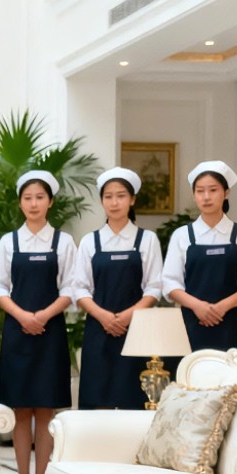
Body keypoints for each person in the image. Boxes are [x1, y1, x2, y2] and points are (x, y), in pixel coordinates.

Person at [0, 170, 78, 474]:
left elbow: (71, 287)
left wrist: (43, 315)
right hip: (17, 329)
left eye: (40, 197)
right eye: (27, 198)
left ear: (50, 202)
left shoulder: (64, 242)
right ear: (20, 203)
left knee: (45, 410)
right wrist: (23, 315)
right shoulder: (9, 242)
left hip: (50, 330)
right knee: (20, 409)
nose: (33, 203)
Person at [74, 167, 163, 409]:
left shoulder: (147, 240)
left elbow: (154, 287)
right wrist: (104, 317)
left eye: (121, 195)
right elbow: (80, 288)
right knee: (97, 400)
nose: (114, 202)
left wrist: (126, 316)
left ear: (132, 199)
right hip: (98, 327)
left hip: (136, 329)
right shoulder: (90, 241)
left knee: (133, 400)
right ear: (102, 201)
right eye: (108, 196)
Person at [162, 160, 237, 354]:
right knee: (189, 381)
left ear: (226, 193)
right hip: (190, 323)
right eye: (200, 191)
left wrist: (222, 307)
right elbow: (170, 283)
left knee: (231, 382)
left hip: (230, 323)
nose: (206, 197)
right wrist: (199, 306)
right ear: (194, 195)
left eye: (213, 190)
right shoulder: (182, 235)